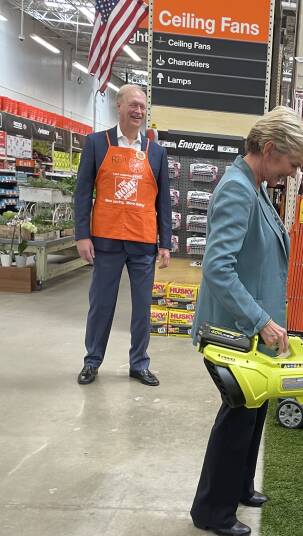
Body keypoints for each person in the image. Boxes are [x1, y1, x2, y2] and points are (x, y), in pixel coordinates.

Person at [190, 106, 303, 536]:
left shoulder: (257, 185)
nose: (293, 173)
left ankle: (240, 486)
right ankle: (212, 510)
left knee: (254, 413)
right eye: (291, 163)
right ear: (268, 149)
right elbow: (218, 267)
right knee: (236, 418)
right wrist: (261, 320)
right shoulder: (238, 190)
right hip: (233, 332)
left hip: (253, 332)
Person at [74, 84, 171, 387]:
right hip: (106, 240)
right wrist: (82, 235)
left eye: (142, 106)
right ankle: (92, 361)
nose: (138, 111)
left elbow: (163, 201)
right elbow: (81, 193)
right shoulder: (96, 144)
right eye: (133, 105)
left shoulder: (156, 152)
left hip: (143, 241)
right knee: (101, 303)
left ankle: (139, 364)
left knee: (142, 307)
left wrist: (165, 243)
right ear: (119, 106)